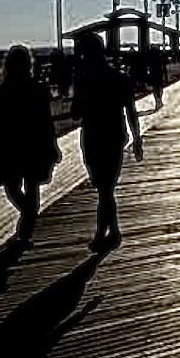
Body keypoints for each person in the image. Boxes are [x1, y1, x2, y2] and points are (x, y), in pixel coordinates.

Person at [70, 31, 143, 253]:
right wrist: (137, 138)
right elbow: (75, 112)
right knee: (104, 187)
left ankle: (103, 234)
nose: (83, 57)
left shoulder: (115, 79)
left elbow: (130, 110)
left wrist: (137, 138)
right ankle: (114, 230)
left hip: (108, 137)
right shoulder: (87, 79)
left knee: (104, 187)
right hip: (97, 137)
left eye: (85, 53)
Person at [0, 45, 61, 246]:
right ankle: (28, 218)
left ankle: (26, 229)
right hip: (17, 144)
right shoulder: (5, 91)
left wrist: (52, 144)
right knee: (15, 187)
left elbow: (46, 121)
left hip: (28, 144)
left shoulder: (35, 89)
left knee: (28, 185)